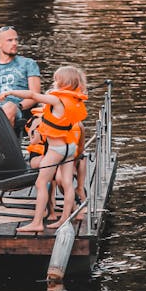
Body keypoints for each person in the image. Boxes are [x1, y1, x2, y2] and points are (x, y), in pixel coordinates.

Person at [15, 65, 88, 232]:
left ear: (63, 82)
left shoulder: (57, 100)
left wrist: (11, 93)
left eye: (56, 80)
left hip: (56, 149)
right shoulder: (75, 100)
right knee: (68, 184)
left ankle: (37, 222)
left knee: (41, 182)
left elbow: (33, 95)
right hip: (70, 148)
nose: (54, 82)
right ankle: (64, 220)